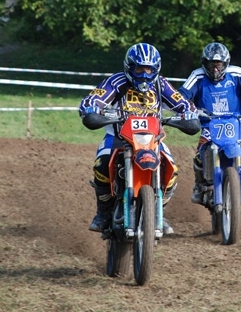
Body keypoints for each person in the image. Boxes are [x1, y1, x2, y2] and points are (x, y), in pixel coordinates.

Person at [78, 42, 196, 234]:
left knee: (171, 169)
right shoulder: (117, 82)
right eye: (139, 69)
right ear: (129, 67)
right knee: (102, 164)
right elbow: (94, 99)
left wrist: (189, 113)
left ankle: (158, 211)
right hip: (118, 138)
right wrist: (91, 109)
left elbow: (182, 102)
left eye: (149, 69)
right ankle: (103, 212)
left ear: (156, 69)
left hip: (153, 140)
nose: (144, 75)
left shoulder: (160, 84)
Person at [178, 42, 241, 207]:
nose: (215, 69)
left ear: (226, 63)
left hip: (236, 126)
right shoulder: (197, 76)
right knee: (200, 155)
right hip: (209, 127)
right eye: (211, 65)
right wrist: (184, 108)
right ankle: (200, 185)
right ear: (204, 63)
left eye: (219, 65)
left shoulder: (237, 74)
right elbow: (182, 94)